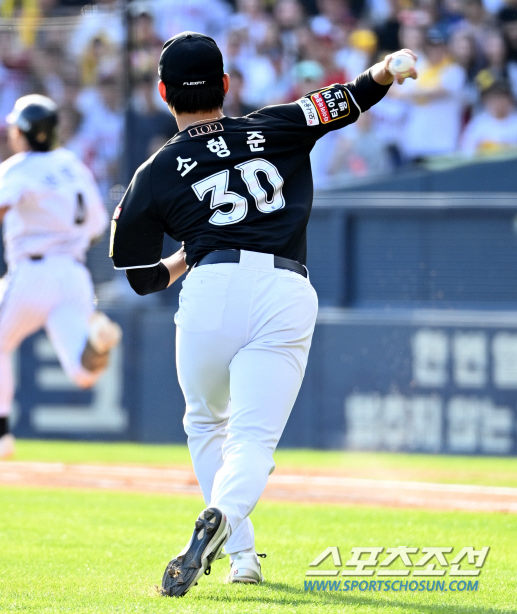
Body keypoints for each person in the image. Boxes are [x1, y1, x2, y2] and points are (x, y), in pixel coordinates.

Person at [110, 32, 417, 597]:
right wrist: (389, 67)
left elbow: (137, 273)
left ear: (162, 92)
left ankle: (242, 555)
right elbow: (350, 96)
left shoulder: (155, 169)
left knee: (206, 424)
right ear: (226, 85)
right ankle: (228, 534)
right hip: (284, 289)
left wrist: (186, 254)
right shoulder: (273, 125)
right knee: (251, 441)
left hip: (210, 289)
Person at [0, 94, 121, 459]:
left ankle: (0, 434)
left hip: (33, 270)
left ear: (25, 132)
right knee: (84, 372)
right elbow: (97, 224)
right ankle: (101, 341)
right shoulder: (73, 165)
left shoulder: (17, 168)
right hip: (74, 272)